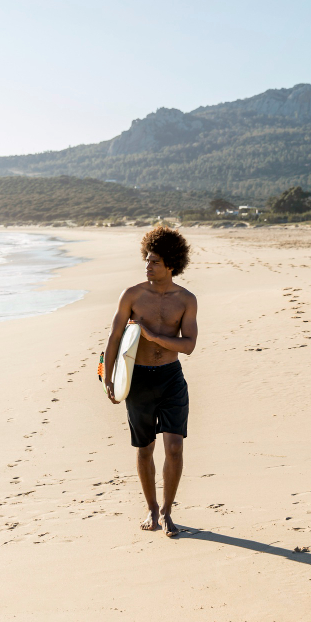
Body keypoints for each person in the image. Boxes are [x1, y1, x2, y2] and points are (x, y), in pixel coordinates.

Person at [103, 227, 197, 537]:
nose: (147, 265)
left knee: (174, 449)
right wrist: (107, 376)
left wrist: (155, 336)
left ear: (171, 264)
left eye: (154, 261)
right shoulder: (132, 295)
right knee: (145, 449)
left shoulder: (186, 299)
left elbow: (189, 345)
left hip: (171, 378)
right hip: (138, 378)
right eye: (146, 259)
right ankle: (152, 508)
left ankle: (169, 511)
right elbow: (114, 336)